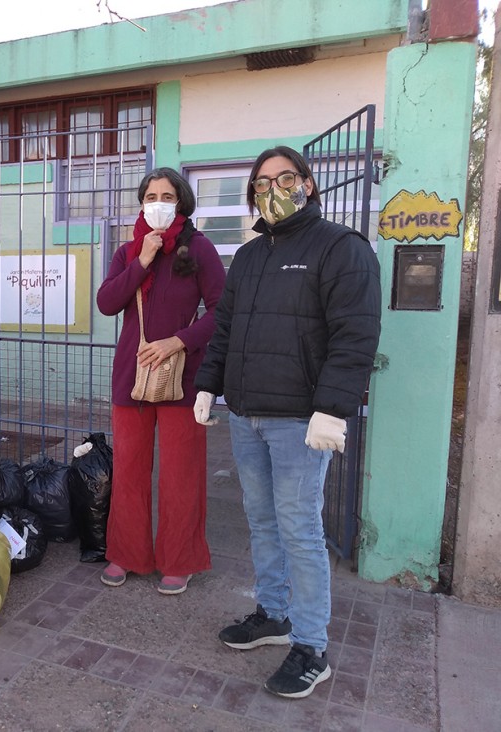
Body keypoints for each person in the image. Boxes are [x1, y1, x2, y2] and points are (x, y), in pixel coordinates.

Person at [194, 146, 381, 699]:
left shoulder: (340, 248)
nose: (271, 188)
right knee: (262, 520)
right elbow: (224, 327)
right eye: (261, 182)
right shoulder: (250, 256)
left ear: (308, 183)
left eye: (284, 178)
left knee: (299, 529)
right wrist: (209, 382)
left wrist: (333, 406)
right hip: (246, 414)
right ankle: (273, 614)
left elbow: (356, 334)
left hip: (300, 420)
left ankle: (311, 646)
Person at [95, 167, 226, 595]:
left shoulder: (200, 250)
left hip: (182, 381)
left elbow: (223, 312)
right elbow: (108, 302)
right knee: (129, 469)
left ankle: (178, 559)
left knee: (179, 474)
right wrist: (143, 260)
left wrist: (179, 341)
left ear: (181, 203)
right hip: (130, 381)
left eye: (167, 196)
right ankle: (127, 554)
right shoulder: (129, 251)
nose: (158, 203)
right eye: (151, 195)